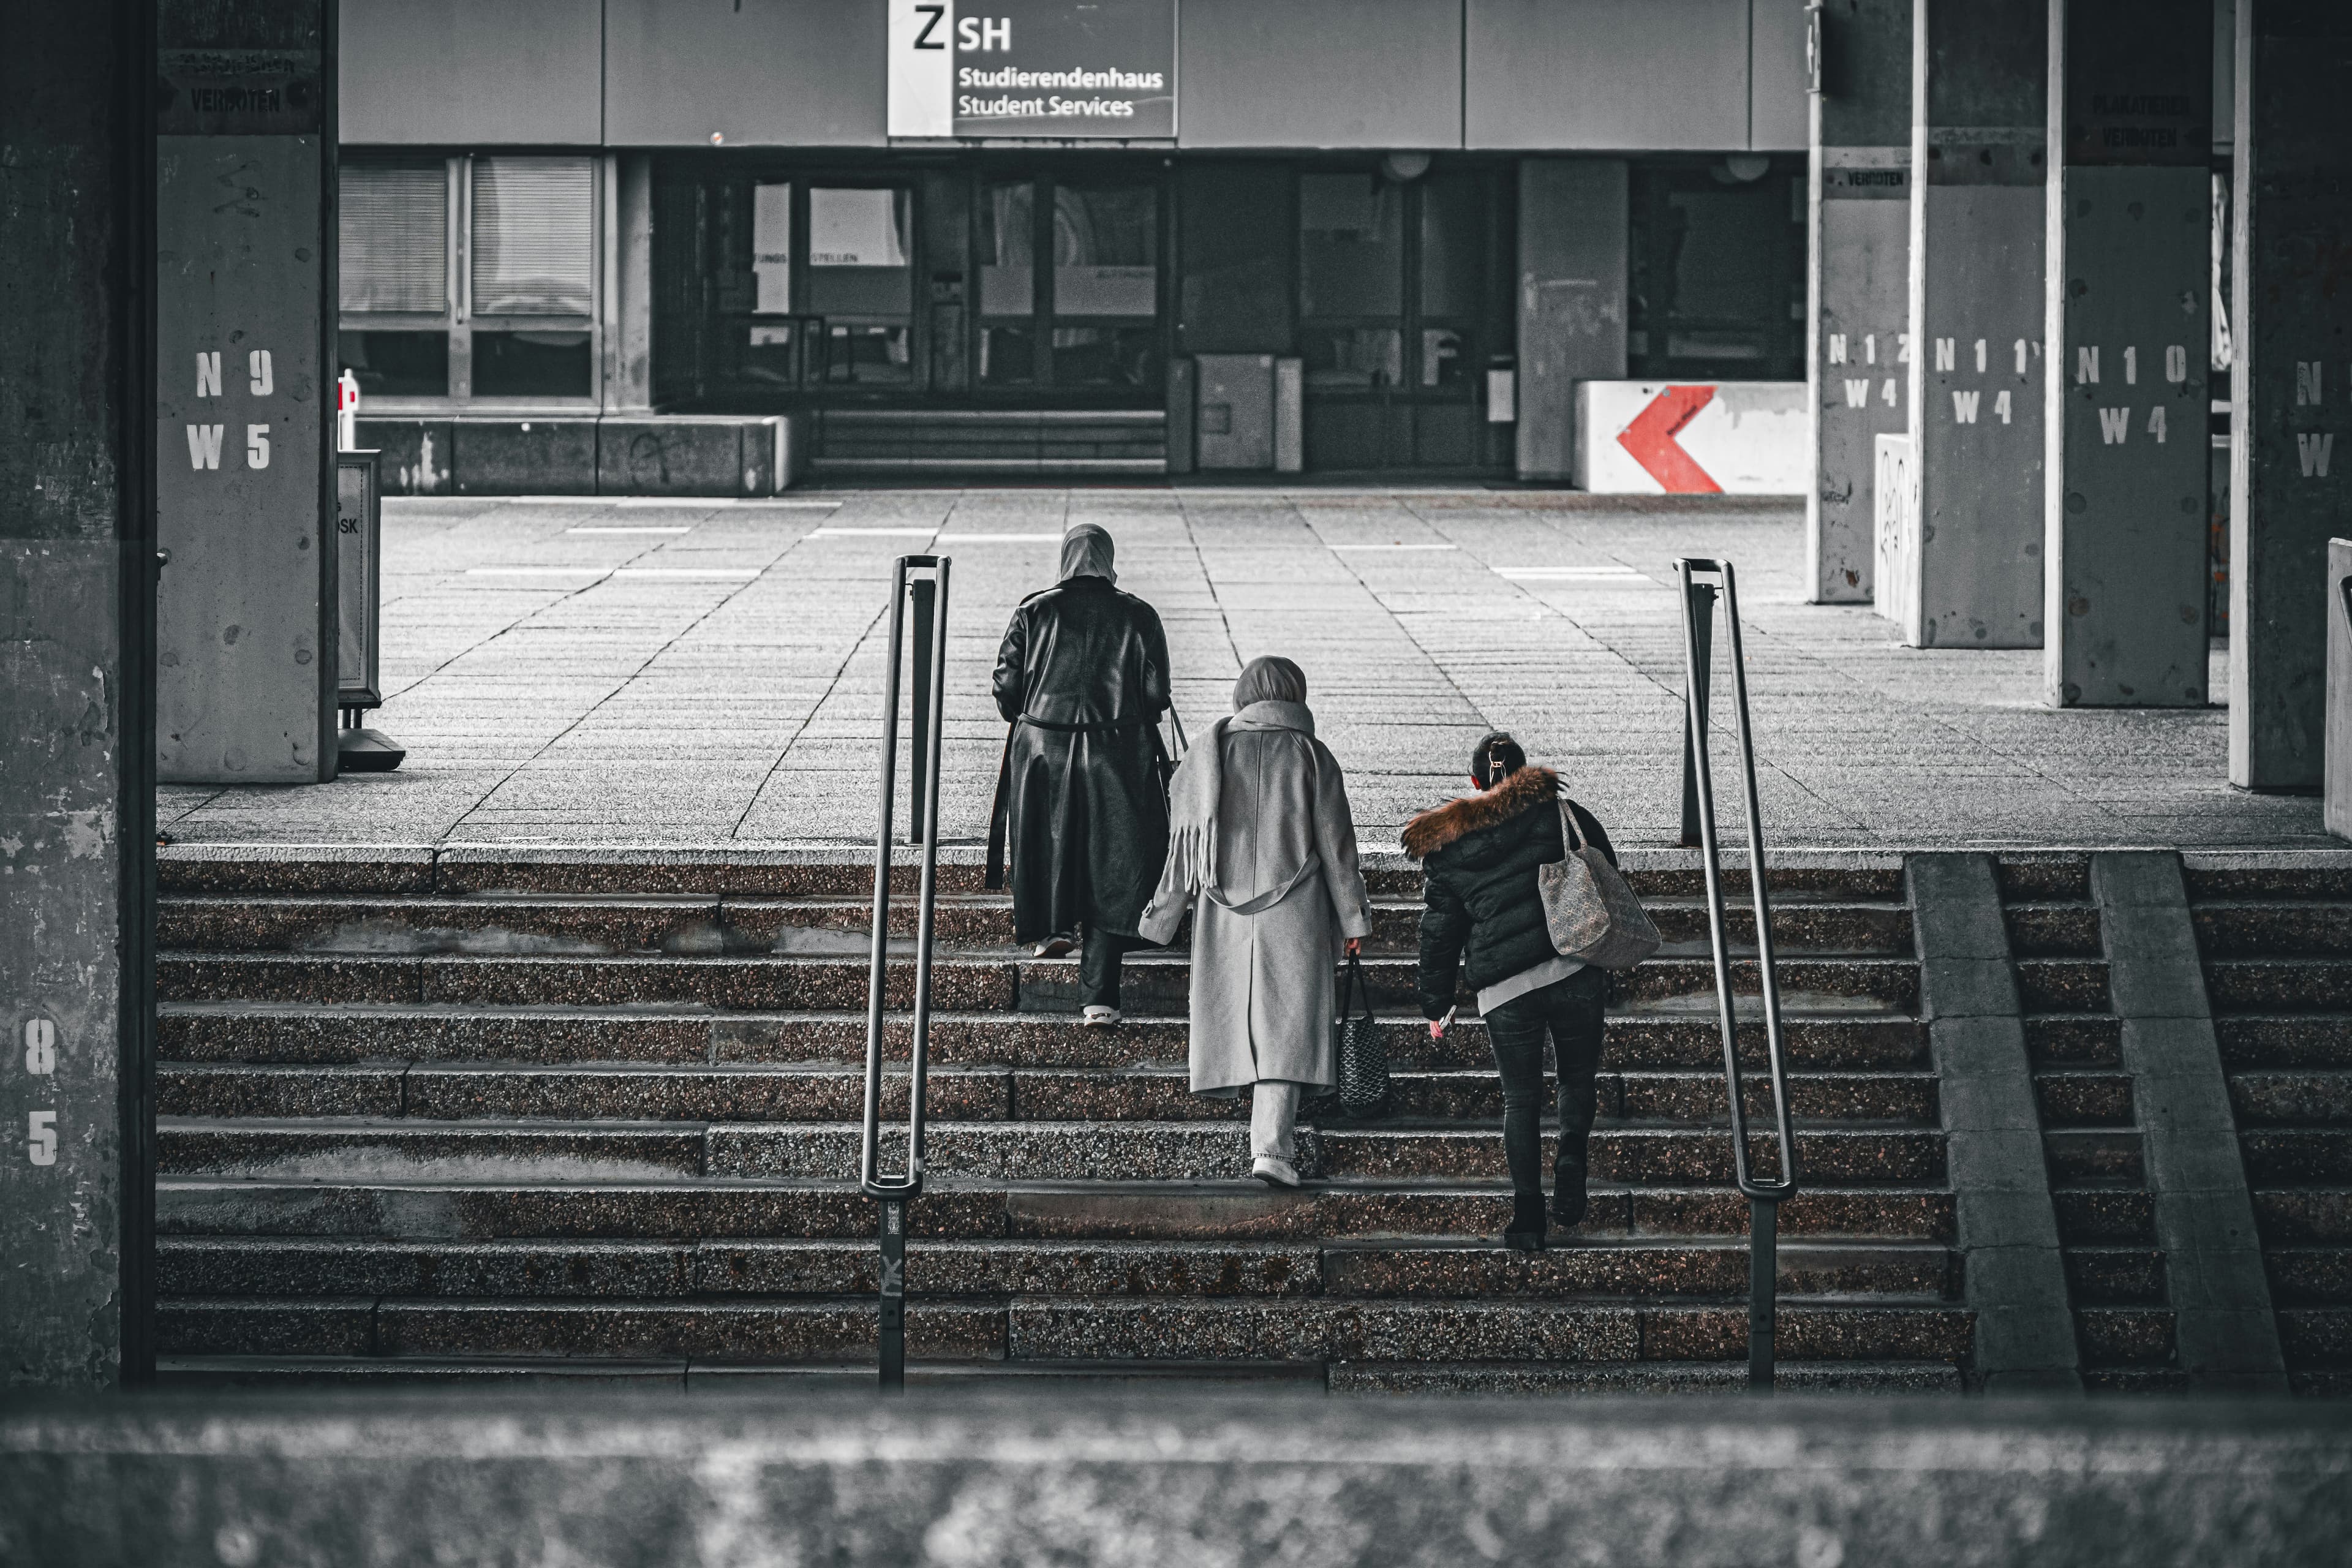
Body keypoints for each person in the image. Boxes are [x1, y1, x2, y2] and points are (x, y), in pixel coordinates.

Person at [1140, 656, 1373, 1188]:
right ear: (1295, 695)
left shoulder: (1208, 755)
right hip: (1296, 912)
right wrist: (1355, 920)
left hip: (1224, 913)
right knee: (1286, 1025)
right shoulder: (1312, 756)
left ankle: (1264, 1137)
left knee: (1237, 1013)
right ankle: (1273, 1150)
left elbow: (1184, 848)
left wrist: (1162, 918)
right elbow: (1338, 849)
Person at [1401, 732, 1616, 1251]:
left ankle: (1527, 1221)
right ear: (1524, 776)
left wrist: (1437, 1002)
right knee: (1577, 1076)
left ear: (1474, 783)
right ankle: (1570, 1154)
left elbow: (1440, 930)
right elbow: (1607, 872)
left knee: (1520, 1100)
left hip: (1505, 989)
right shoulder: (1565, 814)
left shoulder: (1449, 847)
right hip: (1574, 968)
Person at [987, 524, 1172, 1028]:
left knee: (1051, 844)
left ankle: (1052, 929)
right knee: (1113, 866)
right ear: (1109, 560)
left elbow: (1006, 690)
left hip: (1044, 750)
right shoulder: (1139, 614)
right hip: (1119, 752)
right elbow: (1156, 695)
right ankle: (1100, 1000)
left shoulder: (1034, 611)